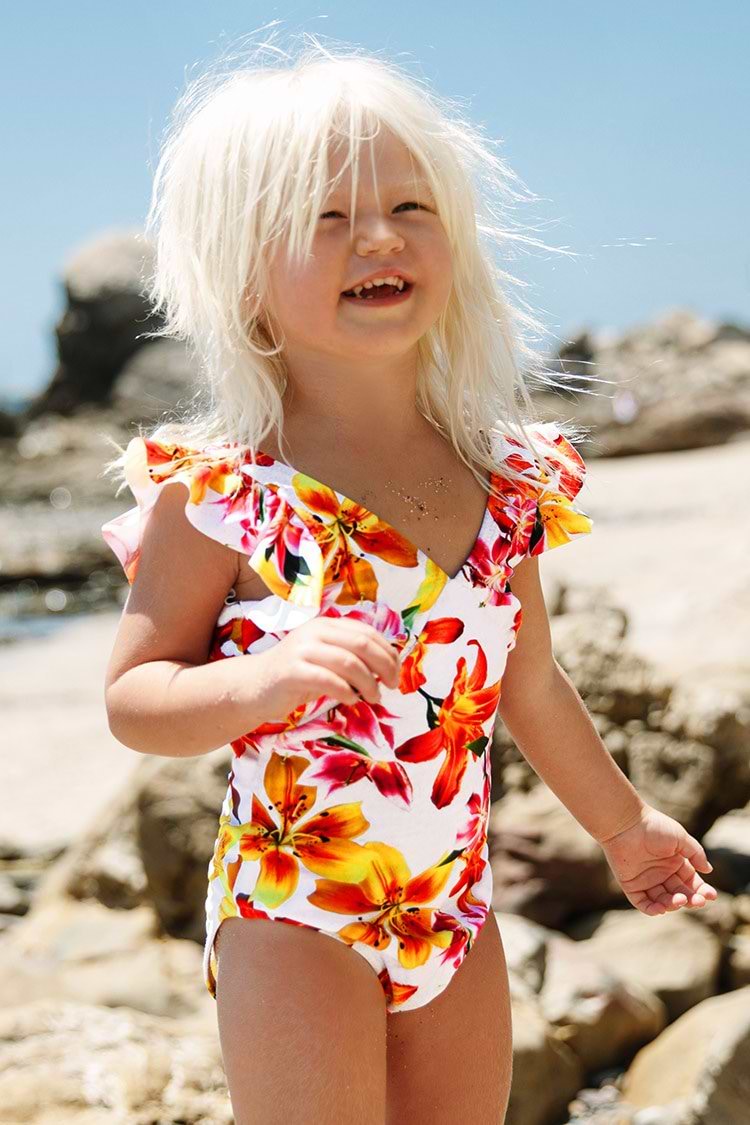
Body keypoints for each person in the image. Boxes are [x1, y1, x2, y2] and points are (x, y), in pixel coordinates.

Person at [100, 34, 716, 1125]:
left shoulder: (501, 477)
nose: (378, 236)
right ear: (242, 271)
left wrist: (624, 827)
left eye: (408, 206)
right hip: (296, 905)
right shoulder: (229, 495)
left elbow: (532, 682)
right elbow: (135, 698)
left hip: (452, 907)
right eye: (326, 217)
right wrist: (261, 681)